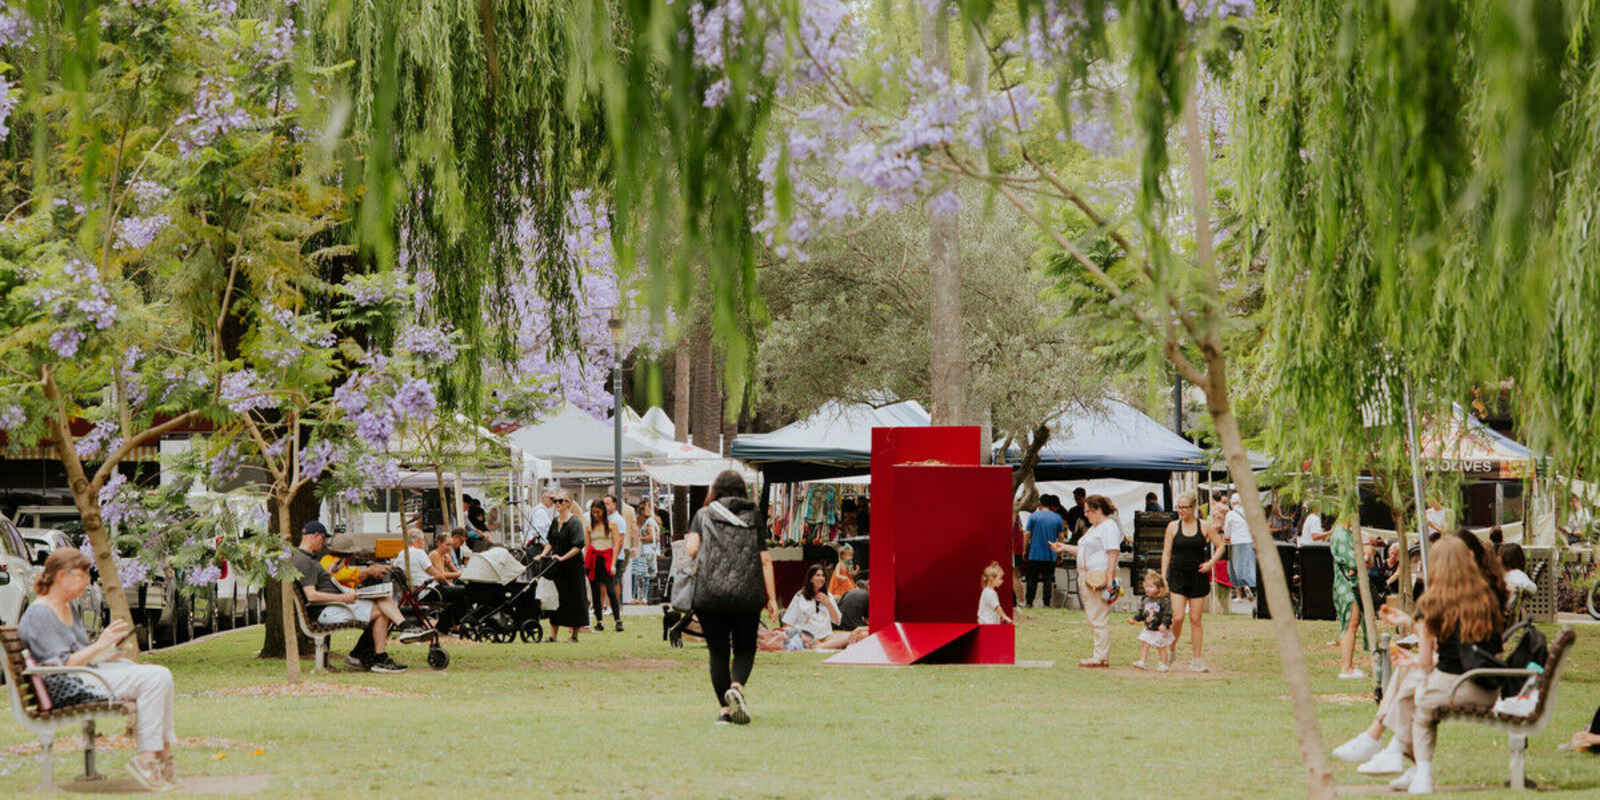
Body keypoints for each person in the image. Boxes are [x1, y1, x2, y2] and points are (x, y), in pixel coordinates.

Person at [19, 549, 179, 789]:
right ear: (63, 576)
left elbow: (81, 655)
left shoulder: (67, 608)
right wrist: (100, 645)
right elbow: (63, 664)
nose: (87, 583)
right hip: (67, 685)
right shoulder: (40, 614)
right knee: (156, 677)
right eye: (83, 577)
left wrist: (107, 651)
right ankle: (148, 760)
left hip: (83, 676)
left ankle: (161, 755)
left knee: (158, 675)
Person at [1380, 535, 1505, 793]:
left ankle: (1417, 769)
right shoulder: (1487, 596)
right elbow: (1483, 648)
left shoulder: (1432, 602)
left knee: (1419, 703)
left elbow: (1426, 663)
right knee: (1412, 688)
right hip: (1489, 686)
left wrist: (1419, 659)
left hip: (1454, 685)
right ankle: (1402, 759)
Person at [687, 469, 781, 725]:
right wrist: (772, 598)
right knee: (744, 647)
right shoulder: (755, 516)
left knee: (718, 652)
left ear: (715, 490)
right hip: (747, 593)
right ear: (742, 490)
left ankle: (724, 711)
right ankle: (737, 687)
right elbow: (765, 560)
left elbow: (692, 549)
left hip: (710, 593)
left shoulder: (703, 515)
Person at [293, 522, 408, 672]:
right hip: (327, 610)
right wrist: (344, 598)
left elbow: (325, 581)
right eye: (323, 540)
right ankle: (380, 656)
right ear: (315, 536)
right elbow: (312, 595)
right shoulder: (304, 560)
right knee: (381, 611)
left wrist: (331, 575)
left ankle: (371, 655)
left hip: (332, 606)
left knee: (381, 601)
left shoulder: (307, 558)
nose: (324, 544)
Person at [1051, 494, 1121, 668]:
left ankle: (1100, 656)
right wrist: (1063, 547)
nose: (1086, 515)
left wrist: (1109, 577)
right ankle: (1099, 654)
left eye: (1088, 511)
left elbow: (1113, 552)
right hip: (1087, 575)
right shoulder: (1095, 528)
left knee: (1098, 616)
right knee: (1094, 616)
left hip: (1098, 576)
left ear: (1097, 510)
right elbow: (1082, 551)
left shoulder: (1108, 527)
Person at [1161, 491, 1224, 673]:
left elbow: (1220, 546)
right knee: (1177, 617)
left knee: (1195, 619)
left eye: (1185, 507)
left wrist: (1211, 563)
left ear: (1193, 508)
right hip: (1177, 576)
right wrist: (1163, 576)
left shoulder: (1205, 526)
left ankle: (1196, 660)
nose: (1181, 511)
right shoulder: (1172, 527)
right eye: (1179, 507)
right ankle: (1171, 649)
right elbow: (1166, 552)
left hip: (1198, 576)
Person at [536, 491, 590, 642]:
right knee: (555, 599)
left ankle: (574, 635)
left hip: (573, 567)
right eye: (555, 501)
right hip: (557, 566)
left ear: (568, 503)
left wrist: (563, 557)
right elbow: (550, 541)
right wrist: (543, 554)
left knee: (575, 599)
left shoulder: (575, 523)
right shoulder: (555, 521)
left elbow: (578, 545)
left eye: (561, 501)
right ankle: (553, 635)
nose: (557, 504)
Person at [782, 564, 853, 650]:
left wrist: (828, 604)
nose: (821, 578)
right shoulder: (800, 596)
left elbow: (837, 621)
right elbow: (788, 623)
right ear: (811, 579)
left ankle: (821, 646)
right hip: (807, 637)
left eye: (823, 576)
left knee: (851, 636)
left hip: (826, 637)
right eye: (818, 575)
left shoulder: (829, 596)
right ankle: (818, 646)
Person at [1330, 512, 1366, 679]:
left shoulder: (1342, 533)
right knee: (1350, 624)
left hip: (1346, 584)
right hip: (1347, 586)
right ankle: (1346, 668)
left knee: (1351, 624)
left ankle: (1348, 666)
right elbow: (1352, 561)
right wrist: (1366, 556)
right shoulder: (1341, 534)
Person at [583, 499, 624, 632]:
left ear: (603, 512)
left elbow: (617, 544)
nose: (596, 515)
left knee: (611, 591)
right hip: (594, 560)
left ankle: (618, 620)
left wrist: (613, 564)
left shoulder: (612, 525)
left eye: (598, 512)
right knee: (595, 593)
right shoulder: (589, 527)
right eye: (593, 512)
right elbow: (588, 546)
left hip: (607, 558)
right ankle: (599, 621)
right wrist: (585, 563)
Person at [1021, 496, 1064, 608]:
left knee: (1032, 579)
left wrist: (1025, 550)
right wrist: (1060, 553)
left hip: (1034, 553)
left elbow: (1027, 534)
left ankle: (1029, 602)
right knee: (1048, 580)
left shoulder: (1033, 517)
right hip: (1050, 555)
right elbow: (1061, 537)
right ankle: (1046, 603)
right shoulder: (1057, 518)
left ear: (1040, 504)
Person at [1128, 570, 1173, 672]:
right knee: (1144, 643)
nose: (1147, 589)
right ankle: (1142, 661)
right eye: (1146, 586)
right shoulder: (1145, 600)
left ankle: (1163, 664)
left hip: (1159, 629)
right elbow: (1142, 613)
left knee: (1160, 646)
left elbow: (1168, 614)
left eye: (1151, 587)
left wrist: (1164, 624)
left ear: (1159, 588)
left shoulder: (1163, 601)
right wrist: (1134, 619)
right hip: (1149, 628)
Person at [628, 498, 661, 604]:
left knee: (641, 574)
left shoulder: (649, 522)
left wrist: (639, 538)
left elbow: (652, 537)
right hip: (650, 551)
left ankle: (641, 597)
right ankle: (642, 597)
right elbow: (657, 538)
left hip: (646, 551)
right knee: (644, 574)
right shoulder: (653, 521)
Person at [1225, 493, 1255, 601]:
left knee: (1236, 568)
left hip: (1236, 542)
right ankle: (1250, 586)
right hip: (1249, 542)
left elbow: (1227, 532)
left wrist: (1227, 537)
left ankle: (1239, 594)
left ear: (1232, 503)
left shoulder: (1230, 514)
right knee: (1248, 566)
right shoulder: (1248, 513)